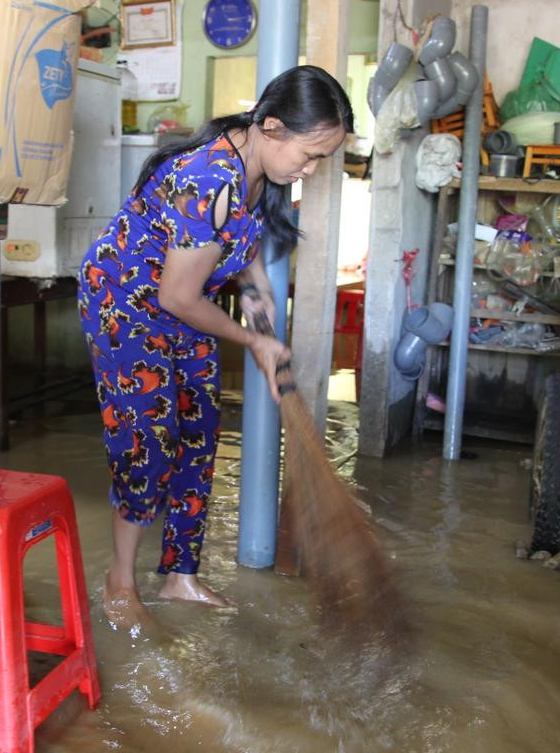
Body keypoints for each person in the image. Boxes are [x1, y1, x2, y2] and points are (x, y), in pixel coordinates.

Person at [76, 65, 354, 619]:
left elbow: (235, 238)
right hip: (127, 304)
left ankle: (179, 577)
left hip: (183, 301)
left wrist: (254, 288)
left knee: (199, 432)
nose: (312, 169)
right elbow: (178, 296)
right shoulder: (207, 177)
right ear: (271, 127)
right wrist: (252, 341)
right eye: (310, 154)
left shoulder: (255, 168)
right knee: (148, 444)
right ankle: (120, 579)